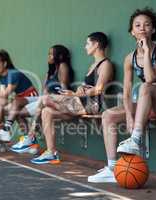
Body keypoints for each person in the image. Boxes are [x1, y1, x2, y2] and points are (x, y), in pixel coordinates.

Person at [88, 8, 156, 183]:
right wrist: (130, 117)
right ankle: (112, 167)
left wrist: (146, 52)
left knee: (146, 87)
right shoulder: (129, 59)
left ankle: (135, 139)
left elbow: (150, 78)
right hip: (144, 107)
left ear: (153, 30)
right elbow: (126, 91)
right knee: (108, 115)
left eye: (147, 25)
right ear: (132, 31)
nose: (142, 28)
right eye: (137, 25)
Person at [30, 32, 114, 164]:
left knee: (45, 99)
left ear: (96, 44)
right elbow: (87, 87)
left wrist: (75, 94)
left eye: (87, 43)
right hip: (79, 104)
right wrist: (79, 89)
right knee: (46, 112)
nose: (85, 47)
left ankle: (31, 134)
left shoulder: (106, 64)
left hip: (92, 106)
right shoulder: (92, 65)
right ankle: (51, 152)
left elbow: (99, 89)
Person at [9, 44, 74, 154]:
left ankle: (30, 137)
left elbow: (64, 88)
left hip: (56, 98)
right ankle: (29, 139)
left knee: (27, 109)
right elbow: (44, 90)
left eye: (51, 54)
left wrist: (60, 98)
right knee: (16, 108)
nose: (48, 56)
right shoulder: (50, 71)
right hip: (44, 97)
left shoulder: (63, 66)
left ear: (59, 56)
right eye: (48, 54)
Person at [0, 49, 38, 153]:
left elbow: (5, 94)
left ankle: (3, 133)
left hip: (32, 99)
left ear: (4, 63)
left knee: (13, 106)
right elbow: (2, 97)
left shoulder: (13, 74)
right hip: (20, 101)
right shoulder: (2, 76)